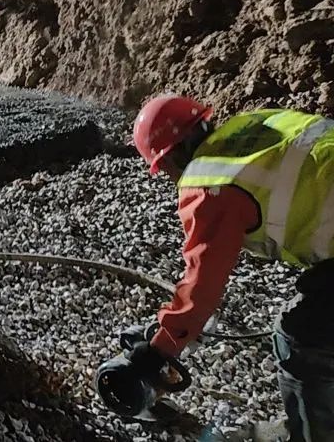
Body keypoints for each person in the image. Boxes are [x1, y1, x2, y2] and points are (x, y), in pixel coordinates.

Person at [107, 94, 334, 440]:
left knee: (301, 339)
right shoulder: (254, 123)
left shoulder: (208, 183)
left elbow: (203, 284)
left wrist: (160, 352)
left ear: (169, 159)